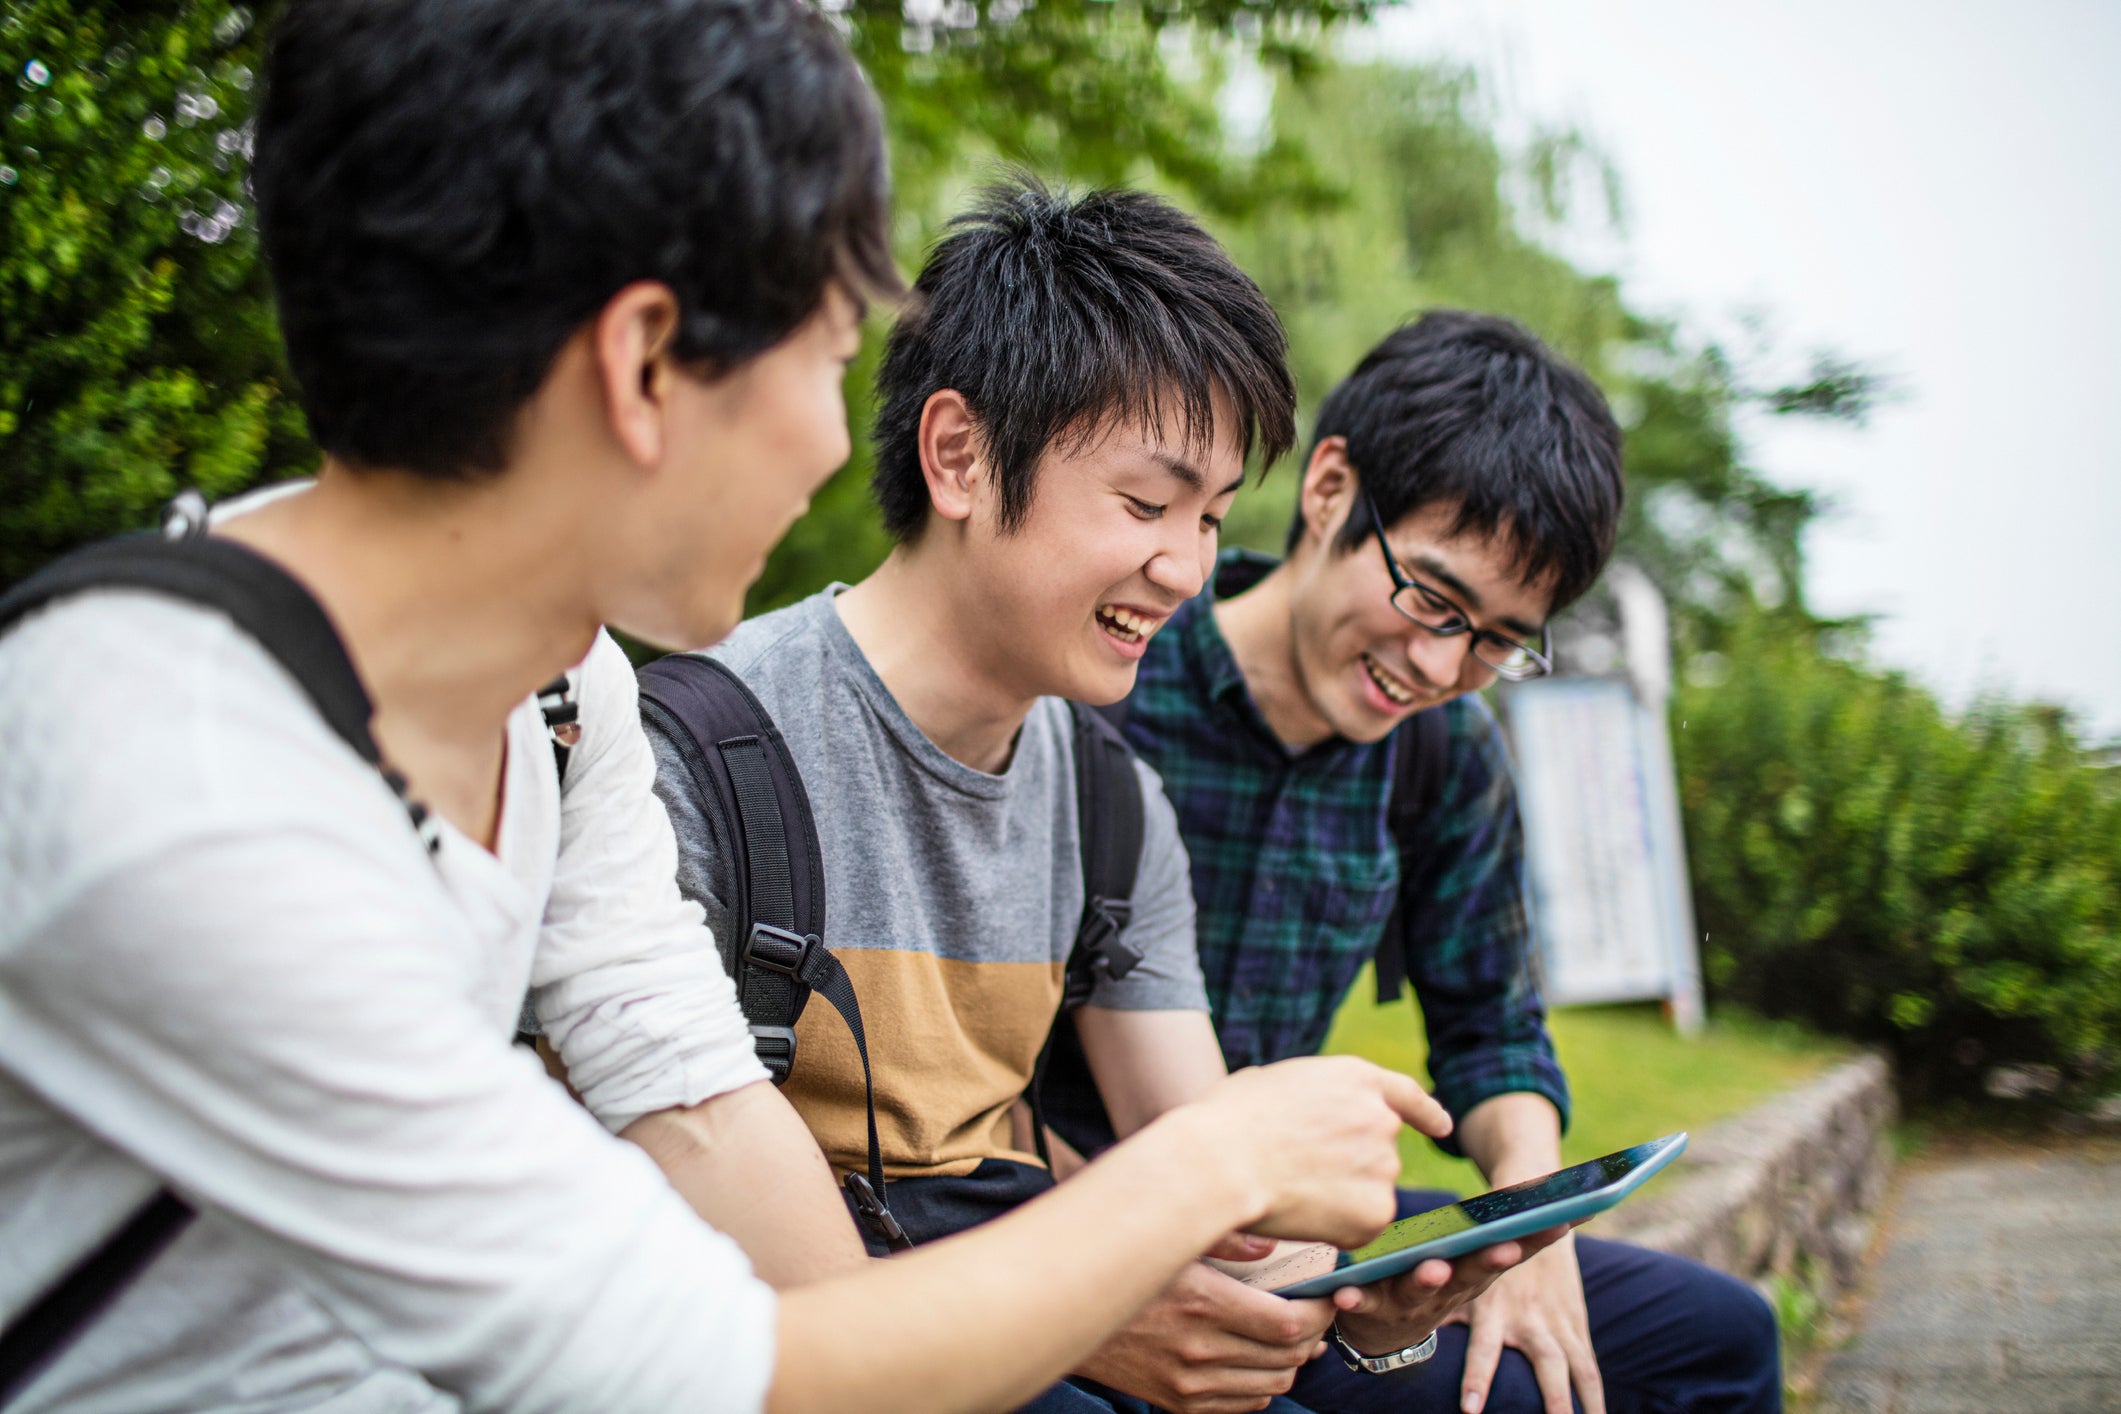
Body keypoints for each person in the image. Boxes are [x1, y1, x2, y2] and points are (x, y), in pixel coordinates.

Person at [0, 3, 1452, 1409]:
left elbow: (695, 1098)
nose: (835, 438)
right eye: (825, 356)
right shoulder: (186, 788)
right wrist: (1203, 1169)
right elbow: (721, 1371)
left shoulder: (568, 703)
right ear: (643, 364)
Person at [647, 181, 1564, 1414]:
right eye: (1146, 505)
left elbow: (1200, 1170)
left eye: (1213, 516)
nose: (1187, 568)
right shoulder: (694, 758)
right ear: (961, 455)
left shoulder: (1111, 802)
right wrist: (1089, 1316)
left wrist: (1354, 1295)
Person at [1104, 311, 1785, 1414]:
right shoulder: (1118, 676)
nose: (1437, 664)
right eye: (1430, 596)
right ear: (1329, 488)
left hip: (1307, 1220)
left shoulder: (1444, 750)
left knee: (1722, 1338)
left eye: (1499, 639)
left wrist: (1531, 1223)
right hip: (1095, 1208)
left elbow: (1490, 1025)